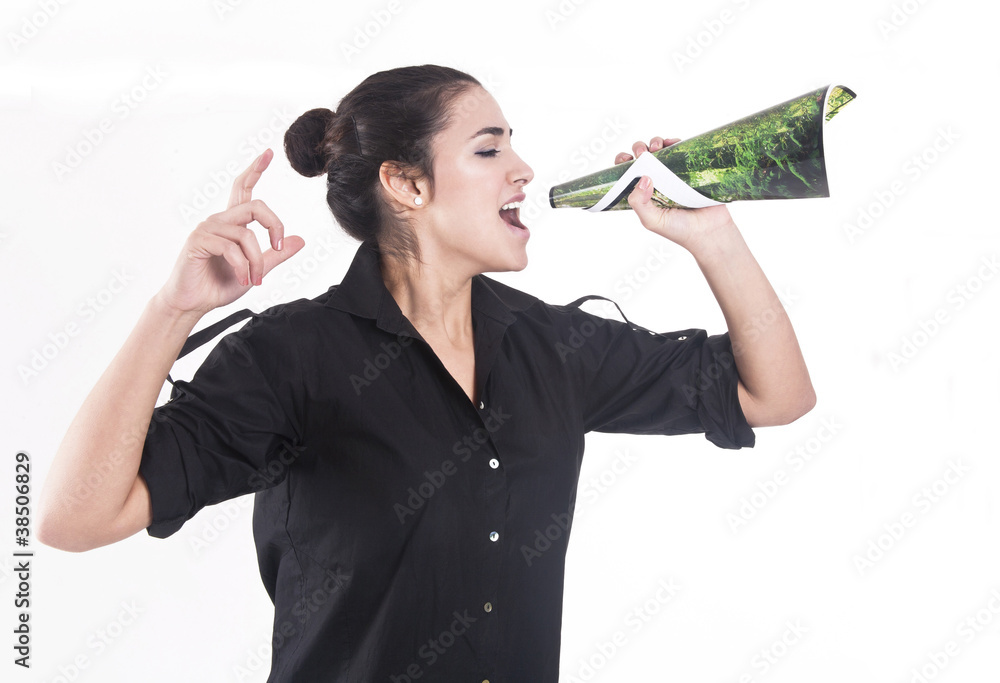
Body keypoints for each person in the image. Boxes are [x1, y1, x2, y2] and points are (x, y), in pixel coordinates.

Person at [37, 64, 815, 681]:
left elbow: (775, 394)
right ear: (406, 184)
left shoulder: (552, 345)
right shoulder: (290, 356)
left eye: (512, 145)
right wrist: (173, 309)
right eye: (489, 149)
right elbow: (75, 517)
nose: (523, 169)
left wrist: (713, 235)